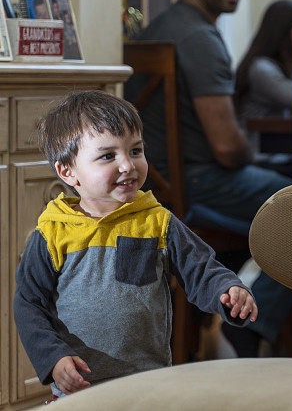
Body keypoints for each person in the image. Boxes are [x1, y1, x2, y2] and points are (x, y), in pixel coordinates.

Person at [14, 91, 256, 400]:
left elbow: (202, 269)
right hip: (79, 392)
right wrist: (53, 358)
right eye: (108, 156)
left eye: (136, 150)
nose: (128, 165)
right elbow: (29, 304)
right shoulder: (51, 233)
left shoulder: (158, 222)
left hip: (148, 385)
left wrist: (228, 290)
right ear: (68, 171)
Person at [131, 0, 292, 357]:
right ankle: (252, 328)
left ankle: (223, 313)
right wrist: (248, 147)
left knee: (290, 188)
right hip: (196, 187)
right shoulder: (201, 38)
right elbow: (227, 148)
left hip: (157, 186)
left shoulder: (161, 27)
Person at [234, 0, 292, 177]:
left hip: (285, 155)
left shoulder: (289, 67)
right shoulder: (262, 69)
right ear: (284, 33)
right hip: (263, 161)